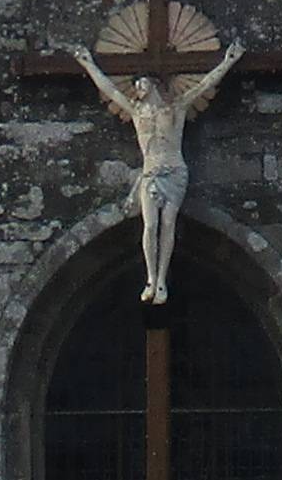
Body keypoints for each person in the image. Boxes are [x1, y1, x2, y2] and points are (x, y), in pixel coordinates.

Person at [74, 27, 246, 302]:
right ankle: (151, 279)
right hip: (150, 173)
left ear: (154, 84)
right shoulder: (136, 111)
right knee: (150, 226)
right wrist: (88, 64)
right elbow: (108, 88)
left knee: (168, 224)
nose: (138, 88)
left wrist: (229, 61)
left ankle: (162, 280)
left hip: (175, 170)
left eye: (142, 83)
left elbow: (205, 84)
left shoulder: (176, 108)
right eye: (137, 86)